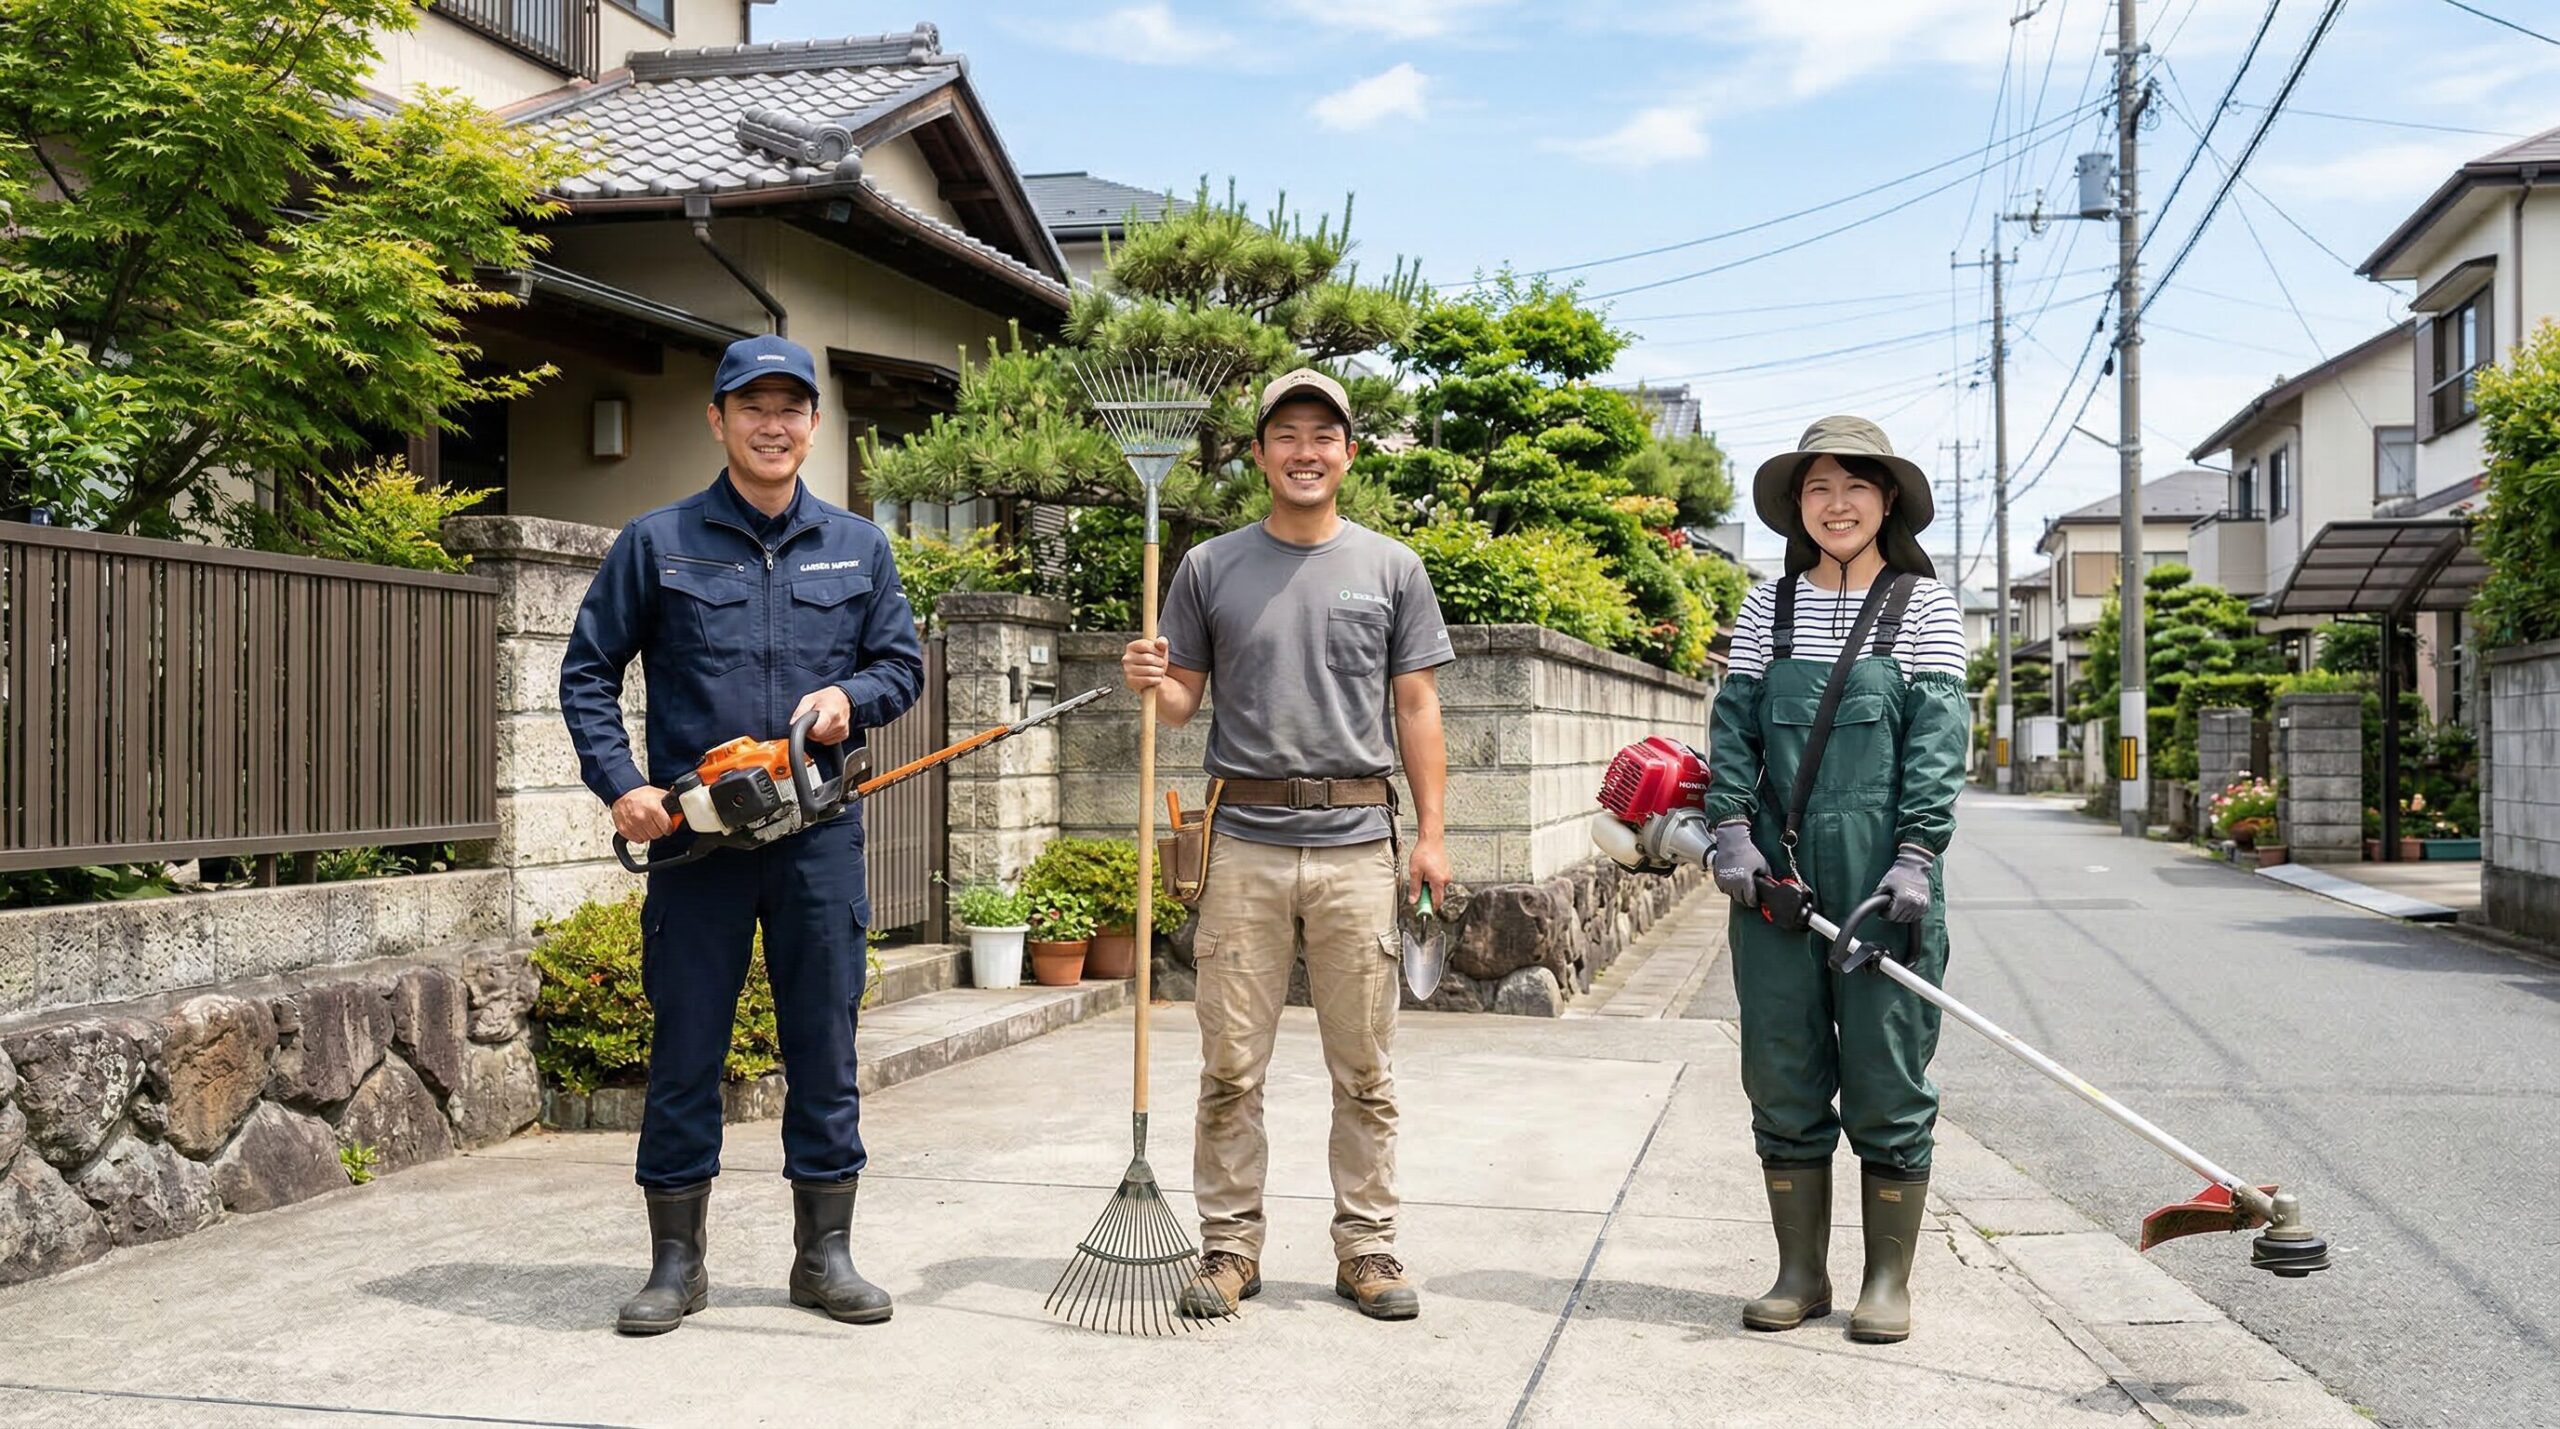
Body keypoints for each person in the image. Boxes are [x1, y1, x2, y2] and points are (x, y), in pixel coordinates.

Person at [559, 334, 924, 1336]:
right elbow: (587, 673)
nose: (773, 424)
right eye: (751, 406)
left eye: (791, 407)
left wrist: (854, 695)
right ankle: (676, 1262)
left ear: (813, 423)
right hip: (696, 845)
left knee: (824, 1047)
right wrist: (623, 785)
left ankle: (825, 1253)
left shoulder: (859, 545)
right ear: (717, 421)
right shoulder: (658, 541)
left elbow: (902, 664)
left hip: (818, 839)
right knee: (686, 1048)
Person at [1119, 367, 1455, 1323]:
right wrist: (1150, 674)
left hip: (1359, 841)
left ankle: (1369, 1247)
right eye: (1287, 436)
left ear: (1347, 453)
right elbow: (1181, 700)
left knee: (1367, 1067)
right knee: (1231, 1064)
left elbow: (1419, 706)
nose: (1306, 452)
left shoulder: (1392, 567)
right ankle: (1229, 1247)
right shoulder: (1210, 567)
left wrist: (1430, 836)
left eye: (1325, 436)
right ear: (1261, 454)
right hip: (1245, 844)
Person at [1701, 415, 1969, 1344]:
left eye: (1857, 484)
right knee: (1781, 1066)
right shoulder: (1764, 608)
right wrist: (1731, 831)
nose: (1838, 503)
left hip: (1880, 878)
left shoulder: (1924, 607)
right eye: (1819, 487)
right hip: (1774, 879)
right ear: (1797, 505)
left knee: (1888, 1071)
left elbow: (1937, 743)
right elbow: (1732, 728)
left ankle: (1886, 1279)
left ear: (1888, 499)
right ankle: (1800, 1272)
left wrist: (1917, 855)